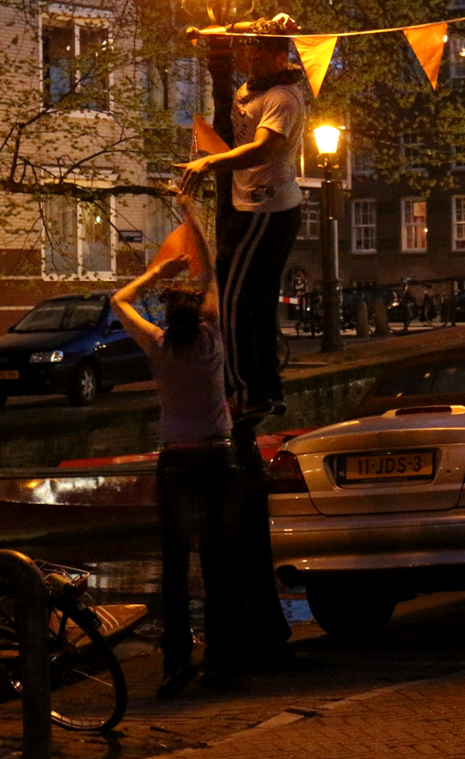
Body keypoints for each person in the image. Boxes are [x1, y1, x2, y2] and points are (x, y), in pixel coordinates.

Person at [110, 192, 290, 699]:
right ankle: (220, 660)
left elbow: (118, 301)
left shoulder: (159, 347)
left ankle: (174, 665)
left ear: (168, 318)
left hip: (176, 463)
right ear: (200, 314)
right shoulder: (213, 341)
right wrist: (192, 218)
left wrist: (156, 269)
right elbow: (212, 273)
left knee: (173, 564)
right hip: (219, 457)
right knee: (218, 561)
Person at [177, 34, 308, 420]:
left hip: (264, 208)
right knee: (258, 304)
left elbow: (264, 148)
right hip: (249, 202)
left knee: (232, 301)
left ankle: (246, 392)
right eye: (248, 48)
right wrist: (212, 36)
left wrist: (208, 165)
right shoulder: (250, 89)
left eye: (261, 51)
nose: (250, 56)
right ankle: (270, 387)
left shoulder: (281, 98)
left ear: (280, 56)